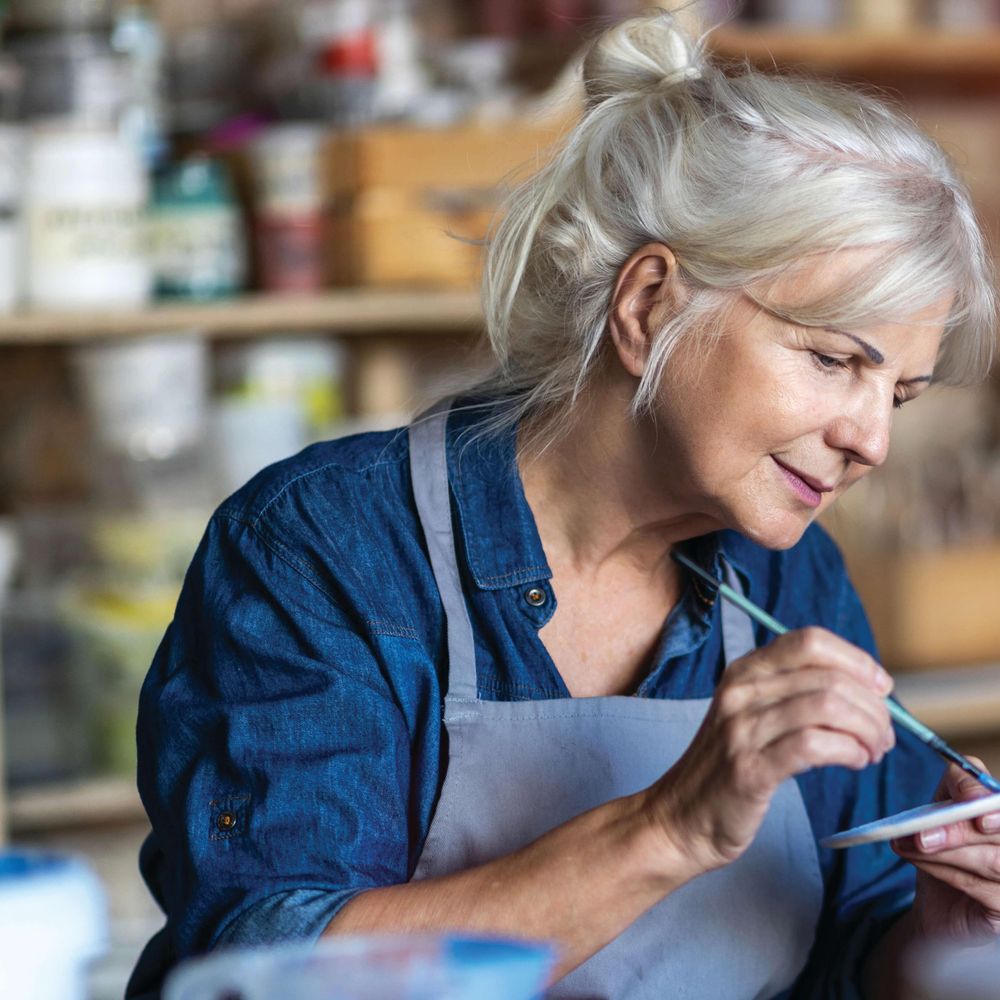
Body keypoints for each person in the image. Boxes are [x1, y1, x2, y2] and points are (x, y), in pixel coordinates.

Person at [128, 11, 1000, 999]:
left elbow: (844, 938)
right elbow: (260, 963)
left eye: (898, 394)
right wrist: (666, 827)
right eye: (835, 360)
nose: (870, 440)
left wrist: (933, 942)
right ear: (648, 306)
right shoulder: (327, 550)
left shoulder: (788, 573)